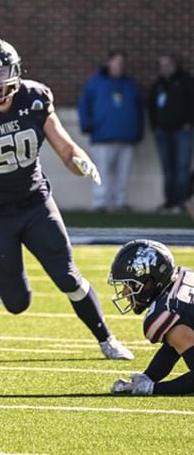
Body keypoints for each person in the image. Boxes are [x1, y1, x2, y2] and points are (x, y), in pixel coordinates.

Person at [0, 38, 133, 361]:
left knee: (68, 276)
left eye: (1, 73)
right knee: (16, 303)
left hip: (34, 202)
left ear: (15, 71)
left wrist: (81, 161)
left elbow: (65, 148)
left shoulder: (34, 98)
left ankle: (106, 340)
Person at [109, 239, 194, 395]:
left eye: (129, 284)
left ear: (149, 283)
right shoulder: (182, 278)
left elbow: (178, 338)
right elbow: (173, 346)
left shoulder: (168, 312)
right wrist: (148, 377)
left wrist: (154, 389)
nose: (124, 293)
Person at [77, 51, 144, 211]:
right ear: (109, 63)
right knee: (102, 172)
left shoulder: (130, 85)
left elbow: (139, 110)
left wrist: (138, 131)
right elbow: (84, 105)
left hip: (126, 137)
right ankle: (100, 202)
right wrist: (87, 125)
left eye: (122, 63)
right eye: (117, 62)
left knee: (123, 174)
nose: (119, 66)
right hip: (102, 136)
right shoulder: (95, 83)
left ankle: (120, 202)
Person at [148, 55, 194, 212]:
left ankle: (182, 201)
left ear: (175, 65)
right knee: (168, 168)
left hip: (182, 131)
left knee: (182, 167)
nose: (165, 68)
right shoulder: (159, 85)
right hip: (163, 132)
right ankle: (170, 201)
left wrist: (189, 122)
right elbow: (151, 107)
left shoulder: (185, 81)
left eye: (168, 64)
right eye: (162, 65)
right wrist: (155, 126)